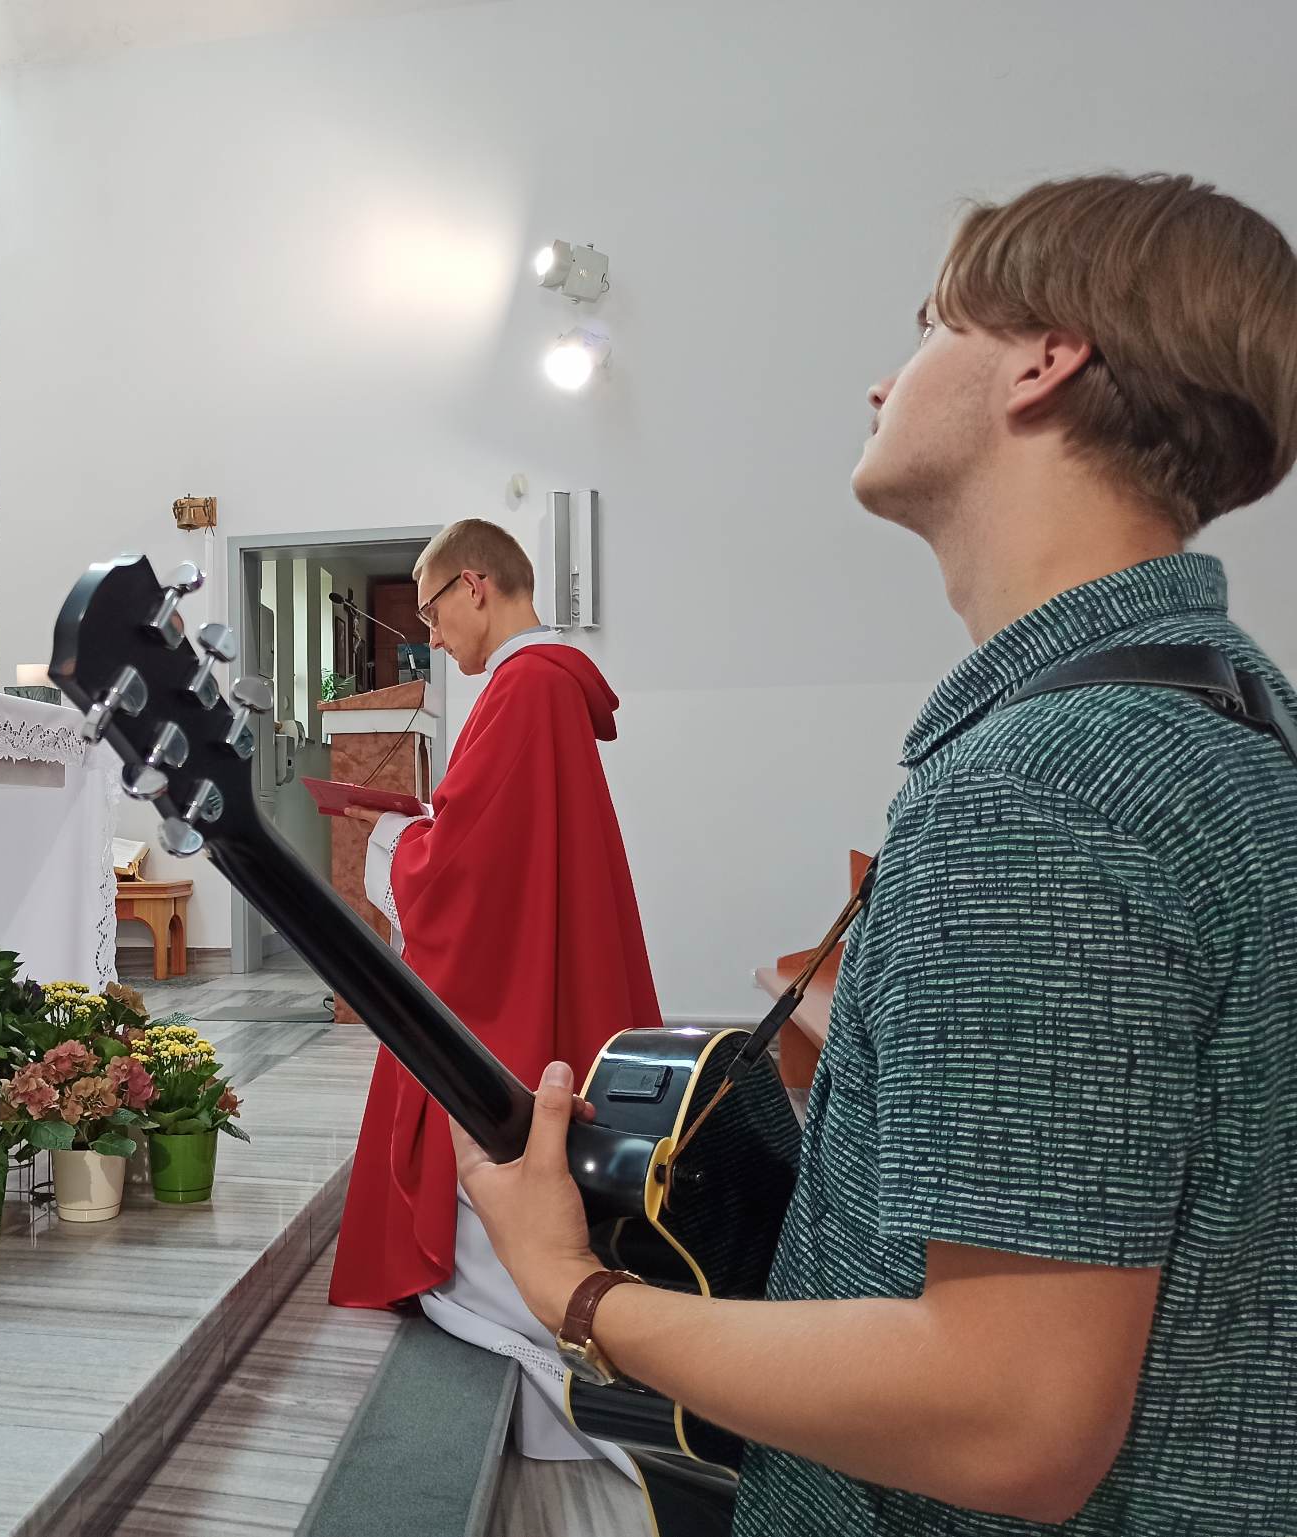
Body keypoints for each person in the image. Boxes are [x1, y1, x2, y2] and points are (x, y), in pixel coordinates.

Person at [454, 173, 1297, 1533]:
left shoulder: (1048, 789)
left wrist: (573, 1289)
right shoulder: (1228, 710)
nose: (879, 383)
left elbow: (1007, 1416)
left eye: (929, 327)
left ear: (1044, 358)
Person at [327, 518, 665, 1462]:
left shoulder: (524, 686)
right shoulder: (545, 683)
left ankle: (556, 1341)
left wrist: (394, 843)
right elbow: (496, 843)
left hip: (508, 988)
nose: (431, 637)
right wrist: (433, 826)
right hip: (540, 954)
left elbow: (462, 873)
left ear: (474, 585)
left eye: (432, 613)